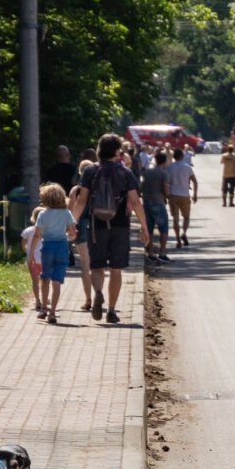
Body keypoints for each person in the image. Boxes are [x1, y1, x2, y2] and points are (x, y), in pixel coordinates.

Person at [74, 133, 150, 324]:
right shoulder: (125, 172)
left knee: (96, 266)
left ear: (99, 149)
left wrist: (72, 223)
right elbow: (136, 202)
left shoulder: (90, 171)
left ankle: (98, 292)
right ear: (117, 151)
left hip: (96, 225)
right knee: (116, 270)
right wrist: (144, 227)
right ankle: (111, 311)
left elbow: (81, 201)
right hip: (120, 225)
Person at [35, 183, 77, 325]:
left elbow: (37, 233)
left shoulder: (42, 214)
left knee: (45, 278)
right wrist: (69, 236)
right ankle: (52, 312)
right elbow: (73, 233)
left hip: (48, 247)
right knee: (57, 280)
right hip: (62, 247)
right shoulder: (66, 213)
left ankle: (44, 308)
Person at [66, 160, 97, 309]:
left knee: (85, 264)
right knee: (97, 264)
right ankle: (98, 293)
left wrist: (69, 229)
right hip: (98, 226)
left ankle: (88, 299)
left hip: (81, 227)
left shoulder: (76, 190)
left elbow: (70, 211)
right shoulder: (99, 187)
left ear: (80, 172)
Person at [139, 150, 173, 264]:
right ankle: (162, 253)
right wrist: (168, 197)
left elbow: (141, 187)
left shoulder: (147, 172)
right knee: (163, 227)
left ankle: (150, 253)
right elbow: (166, 190)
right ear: (165, 161)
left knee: (149, 228)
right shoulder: (164, 173)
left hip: (146, 202)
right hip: (158, 202)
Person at [166, 147, 197, 247]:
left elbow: (166, 183)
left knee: (175, 218)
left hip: (173, 195)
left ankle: (178, 240)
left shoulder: (169, 168)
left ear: (174, 157)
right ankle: (184, 233)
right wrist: (195, 194)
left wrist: (166, 195)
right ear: (182, 156)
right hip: (184, 195)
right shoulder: (187, 167)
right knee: (186, 217)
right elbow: (194, 181)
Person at [18, 208, 43, 315]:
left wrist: (28, 252)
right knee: (45, 280)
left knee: (35, 281)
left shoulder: (27, 231)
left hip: (32, 259)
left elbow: (23, 244)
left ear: (33, 217)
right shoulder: (47, 230)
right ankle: (45, 297)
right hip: (44, 259)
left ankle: (37, 300)